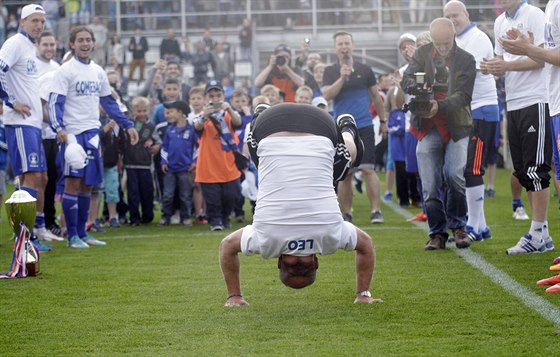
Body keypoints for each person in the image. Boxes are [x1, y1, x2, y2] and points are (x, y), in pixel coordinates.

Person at [219, 103, 382, 307]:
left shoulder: (329, 238)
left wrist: (363, 294)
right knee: (263, 163)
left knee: (342, 168)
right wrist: (233, 296)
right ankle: (260, 113)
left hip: (321, 123)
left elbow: (366, 245)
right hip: (268, 124)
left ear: (316, 262)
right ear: (279, 262)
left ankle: (346, 130)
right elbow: (227, 246)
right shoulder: (267, 242)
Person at [47, 26, 139, 249]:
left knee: (89, 184)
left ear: (94, 43)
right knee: (73, 183)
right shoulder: (64, 70)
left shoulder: (98, 71)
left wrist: (127, 125)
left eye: (88, 40)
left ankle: (84, 232)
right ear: (72, 44)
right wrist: (59, 128)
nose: (85, 44)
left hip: (93, 133)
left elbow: (109, 103)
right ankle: (72, 237)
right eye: (80, 40)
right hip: (72, 135)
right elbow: (53, 103)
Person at [480, 0, 554, 254]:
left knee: (536, 169)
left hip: (536, 98)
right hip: (513, 101)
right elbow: (503, 62)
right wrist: (492, 67)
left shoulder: (535, 14)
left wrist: (507, 65)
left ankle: (537, 232)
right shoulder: (501, 21)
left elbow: (543, 58)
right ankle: (541, 234)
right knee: (521, 170)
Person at [402, 18, 476, 250]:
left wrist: (438, 105)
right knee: (430, 183)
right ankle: (437, 233)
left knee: (454, 175)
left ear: (454, 35)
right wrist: (418, 84)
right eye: (438, 43)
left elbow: (464, 95)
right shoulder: (422, 53)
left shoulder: (466, 59)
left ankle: (459, 227)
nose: (442, 47)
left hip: (456, 125)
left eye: (446, 42)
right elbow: (407, 79)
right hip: (427, 125)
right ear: (432, 38)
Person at [0, 4, 56, 251]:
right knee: (31, 176)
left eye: (42, 21)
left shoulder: (29, 47)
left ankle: (36, 230)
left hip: (33, 123)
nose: (39, 25)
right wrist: (11, 101)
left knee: (40, 177)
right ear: (22, 22)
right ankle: (23, 237)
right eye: (34, 20)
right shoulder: (14, 44)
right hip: (19, 123)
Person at [444, 1, 500, 242]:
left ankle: (474, 225)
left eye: (456, 15)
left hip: (480, 109)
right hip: (467, 111)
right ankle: (482, 224)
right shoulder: (458, 41)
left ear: (466, 15)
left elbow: (461, 74)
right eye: (447, 16)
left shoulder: (476, 38)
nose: (452, 20)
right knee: (467, 168)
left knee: (472, 168)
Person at [322, 31, 387, 224]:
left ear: (353, 46)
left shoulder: (365, 69)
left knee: (368, 169)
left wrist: (383, 121)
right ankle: (347, 213)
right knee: (346, 174)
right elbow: (326, 95)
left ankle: (376, 210)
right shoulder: (330, 71)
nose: (344, 47)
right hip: (341, 127)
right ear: (335, 48)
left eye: (347, 43)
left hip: (364, 125)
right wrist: (342, 78)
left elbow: (376, 96)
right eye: (340, 44)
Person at [193, 80, 242, 231]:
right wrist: (205, 115)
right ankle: (215, 220)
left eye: (218, 95)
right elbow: (197, 126)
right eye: (211, 95)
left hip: (228, 164)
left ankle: (225, 217)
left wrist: (230, 109)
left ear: (223, 96)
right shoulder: (202, 116)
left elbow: (238, 122)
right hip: (209, 165)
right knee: (212, 198)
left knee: (231, 195)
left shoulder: (228, 113)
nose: (215, 99)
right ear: (206, 98)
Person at [36, 31, 64, 239]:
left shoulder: (58, 70)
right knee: (37, 178)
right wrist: (54, 122)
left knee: (52, 177)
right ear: (38, 45)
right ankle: (34, 223)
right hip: (36, 131)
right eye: (45, 45)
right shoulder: (31, 66)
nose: (48, 48)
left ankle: (49, 220)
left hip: (53, 135)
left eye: (51, 45)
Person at [121, 96, 159, 226]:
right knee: (133, 193)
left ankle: (147, 216)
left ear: (149, 111)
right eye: (139, 111)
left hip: (146, 165)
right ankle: (134, 218)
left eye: (144, 110)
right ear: (133, 111)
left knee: (147, 192)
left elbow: (158, 141)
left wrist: (156, 146)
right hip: (130, 164)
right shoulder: (129, 125)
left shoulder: (151, 126)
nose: (142, 114)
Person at [159, 100, 196, 226]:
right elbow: (164, 147)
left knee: (185, 195)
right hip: (170, 169)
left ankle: (186, 217)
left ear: (180, 113)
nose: (169, 114)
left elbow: (197, 147)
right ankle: (166, 217)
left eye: (171, 112)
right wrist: (164, 161)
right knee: (167, 195)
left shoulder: (191, 130)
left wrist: (194, 161)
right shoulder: (169, 130)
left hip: (185, 169)